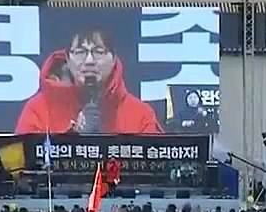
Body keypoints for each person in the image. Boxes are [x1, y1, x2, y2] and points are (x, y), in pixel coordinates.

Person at [14, 27, 163, 135]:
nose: (89, 61)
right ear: (67, 58)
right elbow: (23, 169)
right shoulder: (38, 109)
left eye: (98, 52)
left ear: (114, 59)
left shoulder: (141, 115)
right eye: (80, 52)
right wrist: (74, 137)